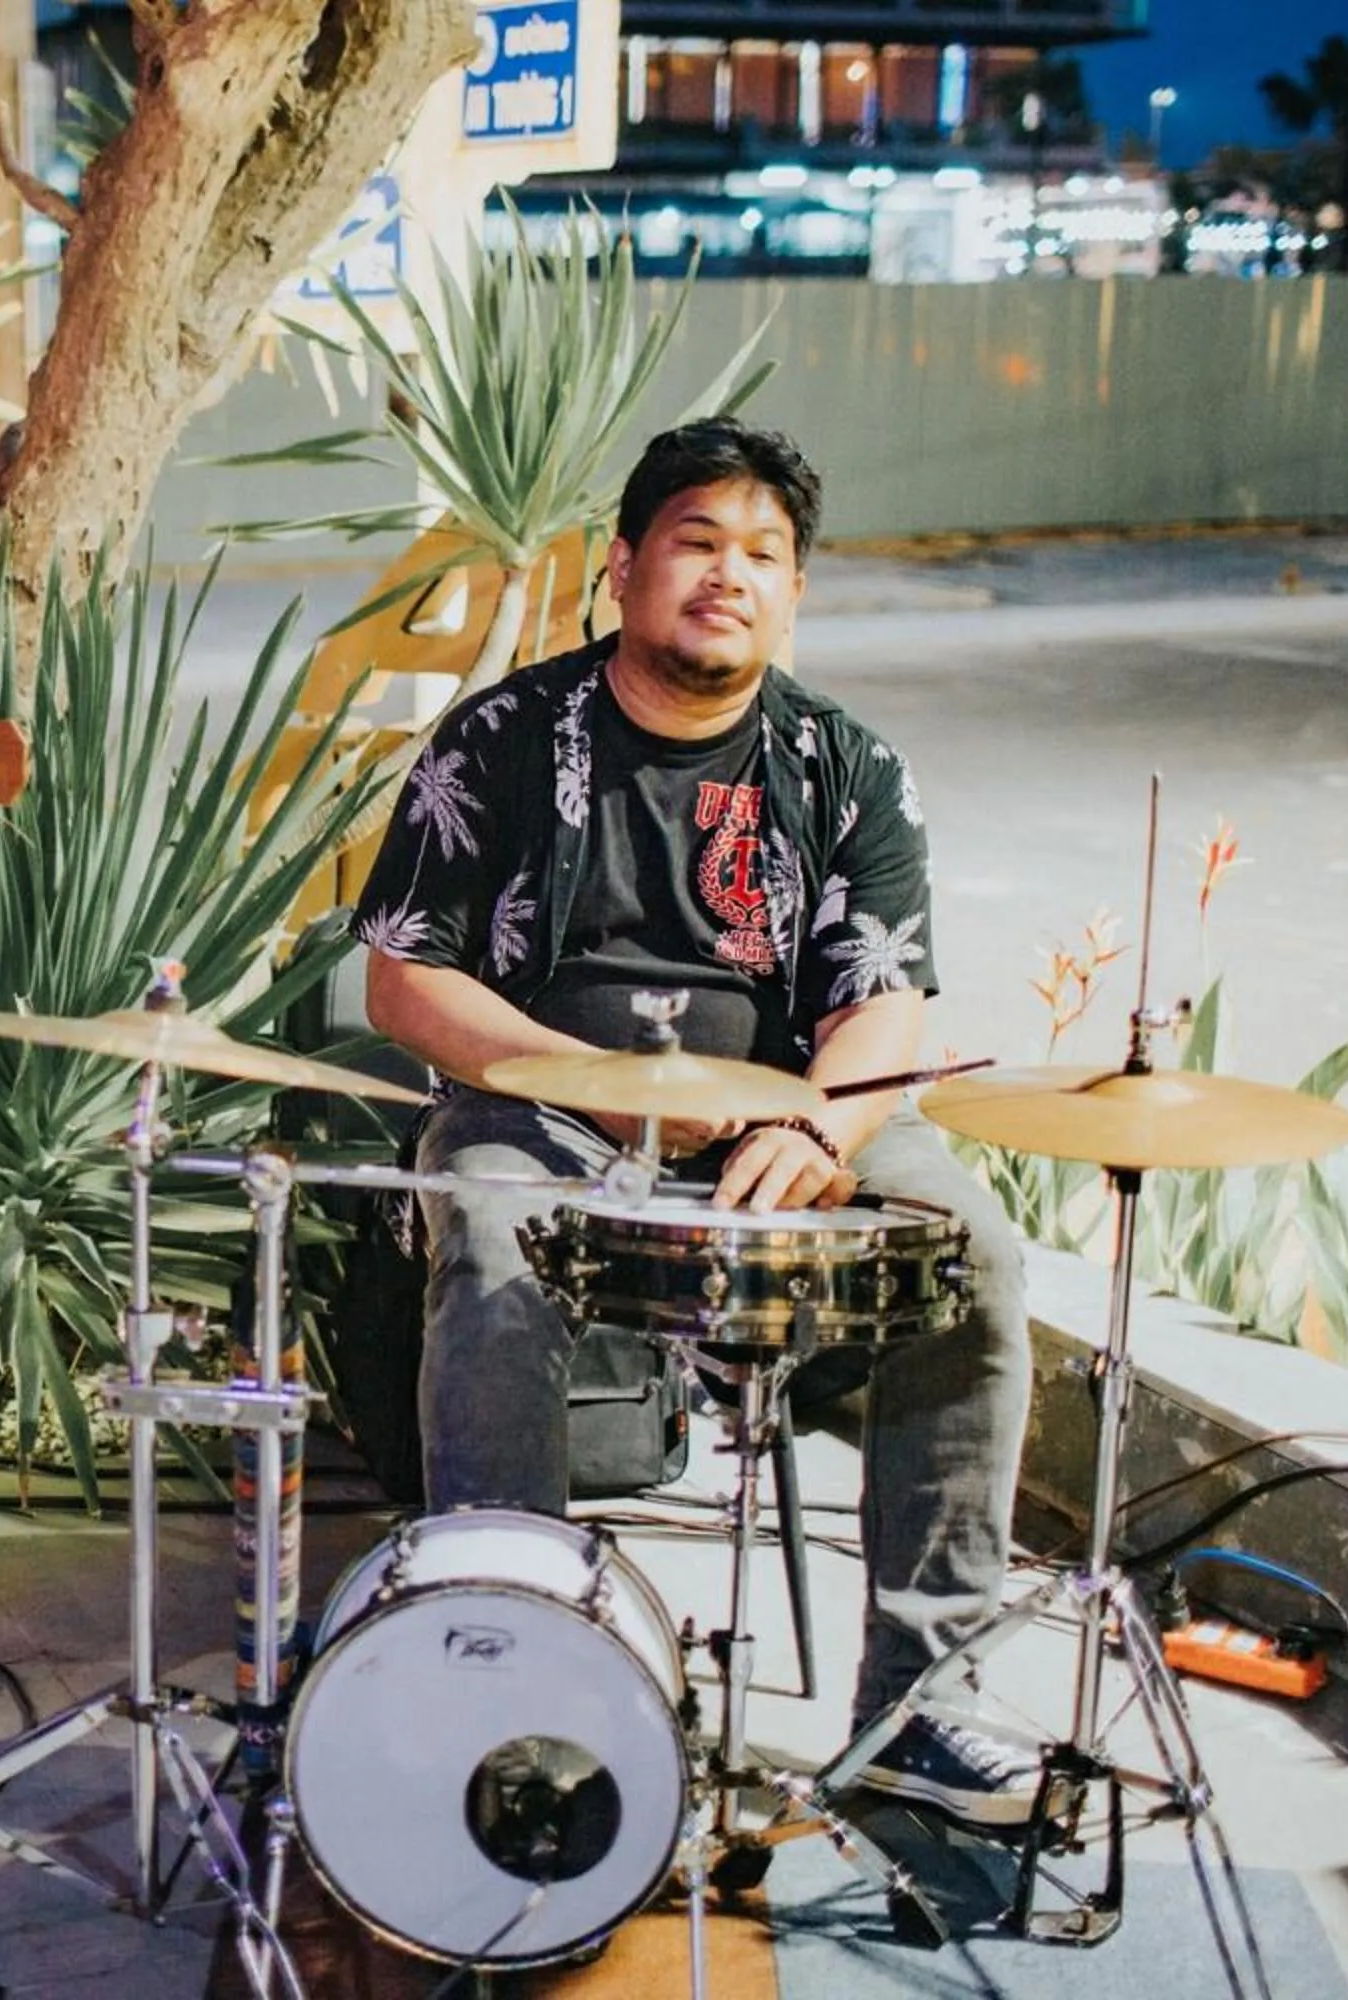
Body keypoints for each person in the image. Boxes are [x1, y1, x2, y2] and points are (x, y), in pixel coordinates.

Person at [353, 419, 1041, 1832]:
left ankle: (926, 1703)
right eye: (697, 541)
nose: (731, 574)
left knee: (974, 1253)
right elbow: (405, 978)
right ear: (623, 568)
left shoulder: (846, 768)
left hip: (780, 1117)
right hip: (545, 1108)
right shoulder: (499, 739)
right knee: (489, 1258)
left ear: (794, 593)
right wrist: (576, 1077)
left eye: (764, 554)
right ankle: (514, 1692)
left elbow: (883, 996)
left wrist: (829, 1132)